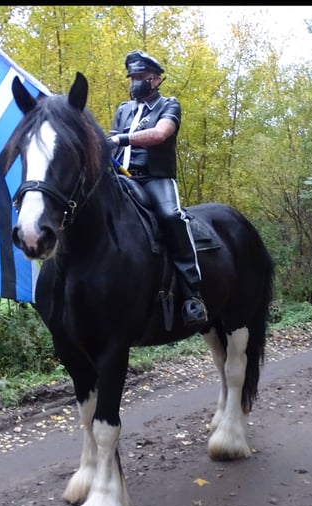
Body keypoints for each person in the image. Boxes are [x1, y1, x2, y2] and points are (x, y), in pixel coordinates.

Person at [109, 50, 208, 328]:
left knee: (171, 217)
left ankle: (193, 294)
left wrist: (121, 139)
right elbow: (109, 141)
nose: (135, 82)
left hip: (154, 179)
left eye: (141, 77)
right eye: (132, 77)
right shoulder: (123, 110)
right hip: (119, 177)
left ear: (156, 80)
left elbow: (160, 134)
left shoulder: (169, 105)